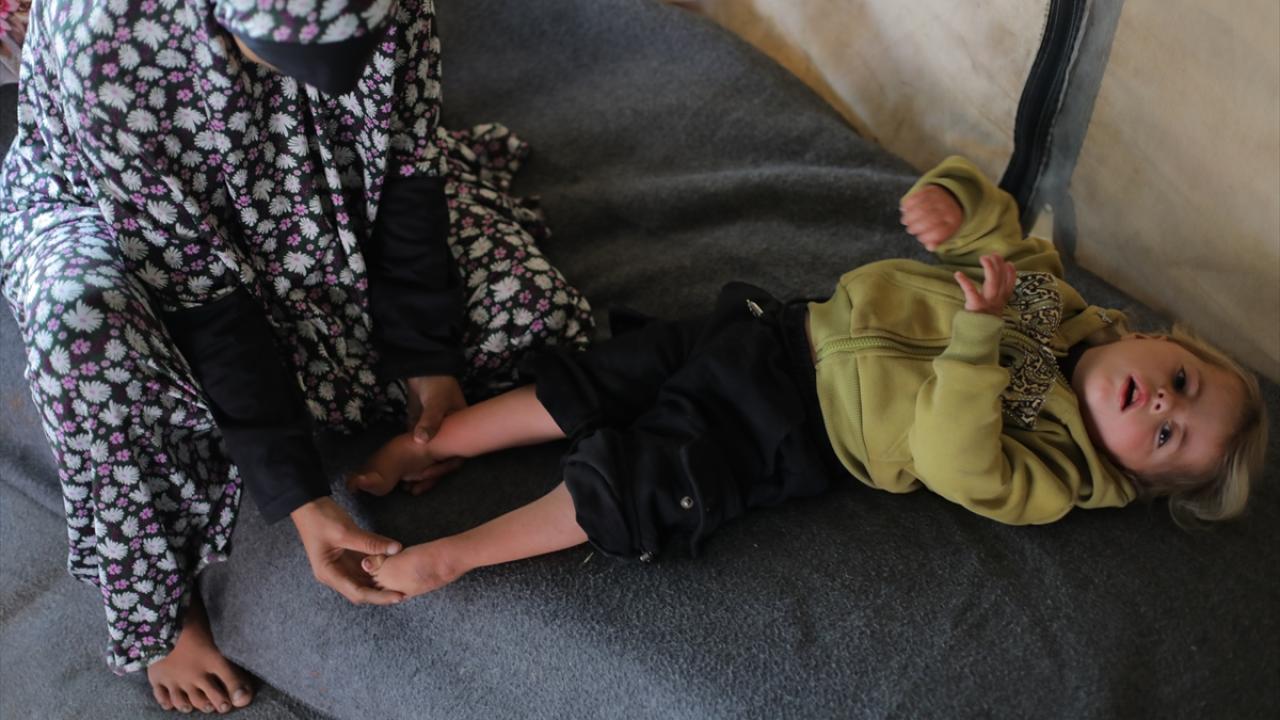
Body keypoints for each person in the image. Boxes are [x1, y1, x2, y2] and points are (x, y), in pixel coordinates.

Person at [0, 0, 591, 713]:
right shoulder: (103, 34)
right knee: (80, 335)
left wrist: (428, 366)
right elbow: (200, 297)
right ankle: (162, 613)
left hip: (322, 176)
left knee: (534, 317)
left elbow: (406, 171)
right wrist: (302, 500)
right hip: (123, 215)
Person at [348, 156, 1269, 598]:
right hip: (787, 328)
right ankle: (441, 438)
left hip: (796, 428)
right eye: (1183, 384)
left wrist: (978, 343)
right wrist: (954, 202)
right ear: (1160, 339)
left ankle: (457, 554)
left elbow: (959, 460)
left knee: (649, 480)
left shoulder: (1056, 477)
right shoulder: (1054, 297)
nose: (1162, 404)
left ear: (1130, 474)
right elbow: (999, 233)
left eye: (1166, 438)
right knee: (613, 371)